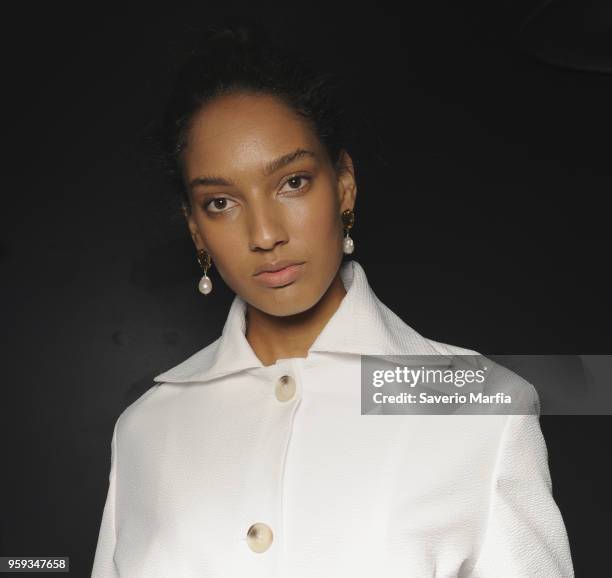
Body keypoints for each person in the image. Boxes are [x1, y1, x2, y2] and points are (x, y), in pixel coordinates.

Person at [91, 23, 574, 578]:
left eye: (292, 182)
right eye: (221, 202)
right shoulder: (145, 431)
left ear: (344, 184)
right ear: (196, 228)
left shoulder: (480, 406)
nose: (265, 234)